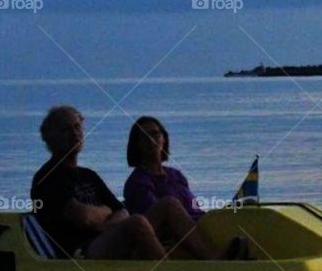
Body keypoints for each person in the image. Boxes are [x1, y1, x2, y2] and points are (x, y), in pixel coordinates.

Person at [31, 106, 219, 260]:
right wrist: (105, 213)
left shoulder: (89, 175)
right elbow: (82, 217)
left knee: (169, 204)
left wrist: (105, 221)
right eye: (66, 129)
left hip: (109, 237)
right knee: (136, 223)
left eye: (77, 127)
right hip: (81, 251)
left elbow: (122, 211)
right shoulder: (48, 177)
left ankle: (214, 262)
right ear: (49, 137)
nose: (74, 134)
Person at [123, 116, 247, 260]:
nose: (151, 140)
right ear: (136, 145)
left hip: (193, 227)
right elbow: (154, 220)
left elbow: (194, 209)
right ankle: (209, 257)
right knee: (170, 204)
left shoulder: (175, 175)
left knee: (235, 211)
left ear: (164, 138)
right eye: (144, 137)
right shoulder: (138, 180)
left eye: (155, 134)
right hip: (161, 237)